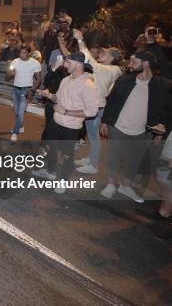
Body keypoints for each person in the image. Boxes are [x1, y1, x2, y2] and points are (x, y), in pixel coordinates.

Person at [99, 51, 172, 203]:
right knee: (113, 156)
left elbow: (167, 110)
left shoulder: (163, 85)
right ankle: (111, 184)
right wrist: (105, 121)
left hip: (143, 130)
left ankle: (126, 186)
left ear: (146, 64)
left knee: (135, 159)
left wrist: (161, 131)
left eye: (134, 62)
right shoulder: (124, 80)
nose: (130, 65)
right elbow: (111, 101)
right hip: (118, 126)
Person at [34, 52, 98, 193]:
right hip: (55, 122)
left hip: (71, 127)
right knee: (50, 148)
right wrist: (49, 95)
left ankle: (63, 181)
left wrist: (67, 112)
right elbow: (60, 99)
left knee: (67, 155)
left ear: (79, 64)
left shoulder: (88, 85)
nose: (65, 64)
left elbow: (92, 111)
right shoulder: (66, 79)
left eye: (68, 62)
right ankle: (50, 172)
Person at [72, 30, 122, 174]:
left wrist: (80, 40)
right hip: (96, 105)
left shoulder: (107, 70)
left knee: (94, 137)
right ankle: (90, 158)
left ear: (112, 58)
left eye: (105, 53)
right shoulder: (111, 69)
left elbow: (88, 58)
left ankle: (93, 166)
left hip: (97, 107)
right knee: (91, 135)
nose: (101, 54)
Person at [7, 45, 42, 141]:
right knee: (17, 112)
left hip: (26, 90)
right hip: (15, 89)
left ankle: (15, 132)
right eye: (20, 52)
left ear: (29, 53)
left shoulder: (35, 63)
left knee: (20, 112)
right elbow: (8, 77)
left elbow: (39, 79)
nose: (21, 55)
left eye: (24, 53)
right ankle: (21, 127)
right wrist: (9, 71)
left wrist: (32, 90)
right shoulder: (15, 61)